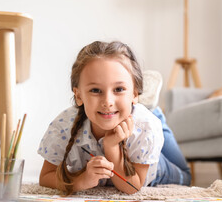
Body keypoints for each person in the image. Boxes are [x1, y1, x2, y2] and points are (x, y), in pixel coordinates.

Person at [38, 41, 191, 195]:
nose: (107, 102)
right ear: (78, 96)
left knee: (185, 177)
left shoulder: (145, 127)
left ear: (135, 93)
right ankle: (144, 104)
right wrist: (80, 180)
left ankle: (154, 111)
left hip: (150, 157)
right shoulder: (64, 126)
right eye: (96, 90)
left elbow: (132, 187)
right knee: (133, 113)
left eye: (118, 89)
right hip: (127, 115)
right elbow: (45, 177)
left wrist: (111, 147)